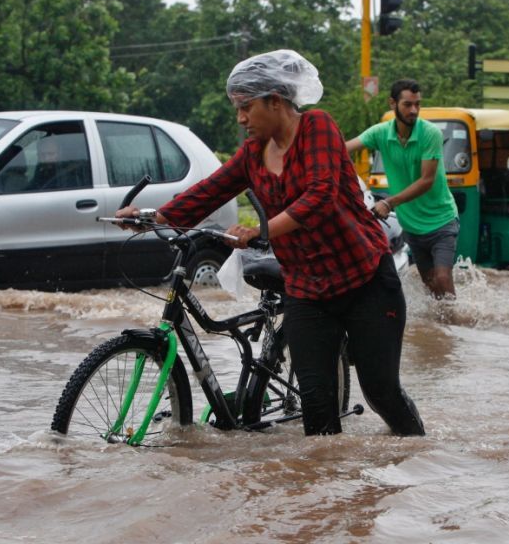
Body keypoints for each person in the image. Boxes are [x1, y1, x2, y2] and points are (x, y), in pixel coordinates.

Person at [115, 49, 424, 437]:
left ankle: (417, 460)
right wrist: (152, 217)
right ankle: (328, 494)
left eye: (246, 107)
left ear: (275, 100)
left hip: (365, 281)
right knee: (316, 404)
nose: (241, 119)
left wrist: (262, 232)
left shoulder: (318, 128)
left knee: (381, 391)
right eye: (237, 109)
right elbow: (209, 191)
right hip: (308, 291)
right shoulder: (252, 155)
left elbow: (320, 196)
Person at [345, 79, 460, 299]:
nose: (414, 110)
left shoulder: (430, 134)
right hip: (412, 226)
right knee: (430, 286)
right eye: (407, 104)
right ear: (392, 103)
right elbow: (344, 148)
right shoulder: (380, 133)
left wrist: (389, 202)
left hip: (442, 221)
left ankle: (455, 331)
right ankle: (438, 331)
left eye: (417, 104)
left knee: (443, 279)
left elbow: (426, 181)